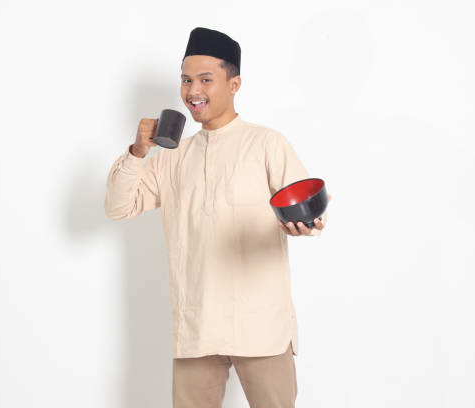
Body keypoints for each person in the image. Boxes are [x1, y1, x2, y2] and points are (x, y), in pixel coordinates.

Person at [104, 26, 330, 408]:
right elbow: (119, 207)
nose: (194, 91)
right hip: (197, 328)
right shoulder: (173, 156)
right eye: (187, 80)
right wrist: (138, 152)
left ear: (234, 83)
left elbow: (303, 207)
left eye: (206, 80)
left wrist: (306, 225)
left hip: (260, 327)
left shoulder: (266, 143)